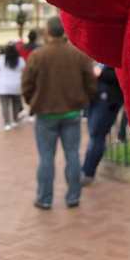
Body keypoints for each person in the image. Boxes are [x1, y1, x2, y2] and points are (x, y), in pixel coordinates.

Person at [22, 17, 96, 210]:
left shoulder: (38, 55)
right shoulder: (78, 54)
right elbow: (90, 82)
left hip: (46, 114)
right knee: (73, 155)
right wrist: (83, 100)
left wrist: (34, 101)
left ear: (48, 32)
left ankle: (44, 198)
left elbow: (27, 85)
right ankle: (73, 197)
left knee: (46, 157)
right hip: (72, 112)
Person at [81, 63, 124, 185]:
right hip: (96, 97)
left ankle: (88, 172)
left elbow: (121, 76)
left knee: (97, 135)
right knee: (93, 134)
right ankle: (86, 168)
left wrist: (101, 74)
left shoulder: (117, 57)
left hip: (109, 100)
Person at [0, 42, 25, 131]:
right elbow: (25, 68)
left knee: (5, 105)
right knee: (16, 104)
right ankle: (15, 120)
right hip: (17, 85)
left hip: (3, 86)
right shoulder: (20, 59)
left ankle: (7, 123)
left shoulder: (0, 59)